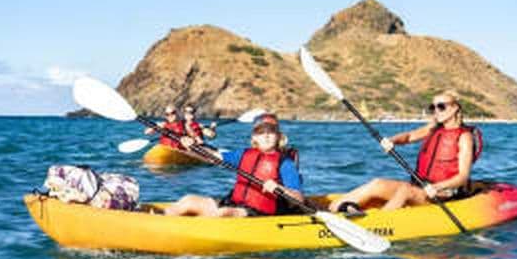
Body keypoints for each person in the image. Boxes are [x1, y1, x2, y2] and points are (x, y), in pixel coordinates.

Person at [328, 90, 482, 212]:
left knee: (405, 190)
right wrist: (392, 140)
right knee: (378, 183)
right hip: (419, 188)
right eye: (432, 107)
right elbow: (409, 136)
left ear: (455, 107)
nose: (436, 111)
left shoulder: (464, 137)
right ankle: (333, 208)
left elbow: (462, 177)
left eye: (441, 106)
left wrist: (436, 187)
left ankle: (376, 224)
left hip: (443, 194)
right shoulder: (433, 129)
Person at [163, 113, 305, 217]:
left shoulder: (285, 163)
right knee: (188, 201)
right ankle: (162, 225)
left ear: (278, 137)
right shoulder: (243, 154)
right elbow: (213, 157)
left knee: (224, 213)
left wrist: (278, 188)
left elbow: (298, 199)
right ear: (254, 137)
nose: (266, 136)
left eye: (271, 132)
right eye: (261, 132)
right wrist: (192, 147)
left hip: (260, 212)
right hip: (234, 202)